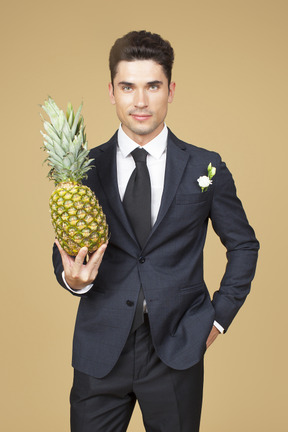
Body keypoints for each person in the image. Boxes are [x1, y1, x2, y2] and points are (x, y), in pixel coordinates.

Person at [53, 30, 259, 432]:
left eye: (153, 86)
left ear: (171, 90)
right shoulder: (83, 170)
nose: (141, 101)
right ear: (112, 91)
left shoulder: (205, 166)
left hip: (177, 348)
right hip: (100, 348)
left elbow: (244, 245)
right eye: (128, 86)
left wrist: (216, 321)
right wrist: (73, 281)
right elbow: (63, 250)